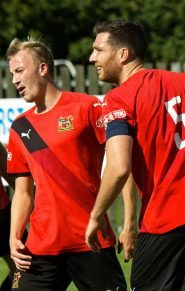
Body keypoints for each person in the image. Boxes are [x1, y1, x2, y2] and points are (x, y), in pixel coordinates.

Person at [85, 20, 185, 291]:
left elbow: (119, 167)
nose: (92, 57)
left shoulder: (118, 99)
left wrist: (96, 216)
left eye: (98, 50)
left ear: (123, 54)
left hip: (167, 219)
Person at [6, 38, 127, 290]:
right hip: (41, 245)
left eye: (19, 71)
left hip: (91, 239)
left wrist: (129, 223)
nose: (14, 80)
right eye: (11, 74)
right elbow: (23, 192)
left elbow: (123, 164)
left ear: (43, 68)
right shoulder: (20, 127)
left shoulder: (87, 107)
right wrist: (14, 235)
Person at [0, 142, 24, 291]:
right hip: (3, 215)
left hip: (2, 215)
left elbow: (10, 177)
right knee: (20, 269)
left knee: (20, 269)